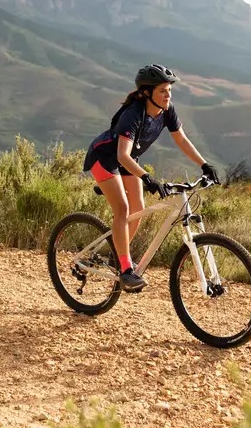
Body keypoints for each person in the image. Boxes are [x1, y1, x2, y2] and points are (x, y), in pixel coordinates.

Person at [82, 63, 220, 293]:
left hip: (128, 160)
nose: (168, 95)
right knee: (123, 209)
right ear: (147, 93)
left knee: (138, 208)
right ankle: (125, 269)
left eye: (169, 90)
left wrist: (204, 165)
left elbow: (182, 140)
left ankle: (118, 255)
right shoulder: (133, 115)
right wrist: (148, 178)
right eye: (162, 91)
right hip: (104, 158)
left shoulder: (167, 110)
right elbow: (122, 155)